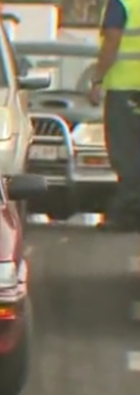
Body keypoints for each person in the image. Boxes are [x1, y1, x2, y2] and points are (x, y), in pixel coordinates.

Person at [88, 0, 140, 231]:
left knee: (126, 152)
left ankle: (128, 213)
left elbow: (112, 40)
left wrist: (98, 78)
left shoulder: (122, 4)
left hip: (126, 88)